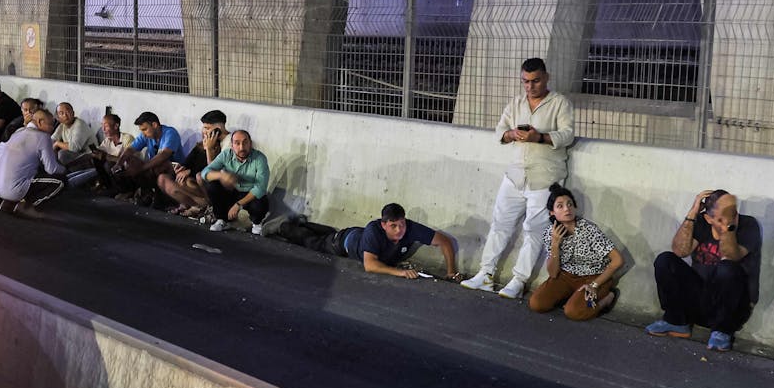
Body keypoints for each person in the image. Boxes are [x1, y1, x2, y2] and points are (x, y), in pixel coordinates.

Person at [460, 57, 577, 299]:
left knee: (534, 230)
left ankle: (519, 280)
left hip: (545, 177)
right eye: (525, 81)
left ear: (546, 77)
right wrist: (512, 134)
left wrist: (540, 138)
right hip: (515, 175)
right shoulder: (516, 103)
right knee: (500, 224)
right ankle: (486, 274)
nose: (530, 86)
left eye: (535, 81)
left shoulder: (559, 103)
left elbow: (567, 135)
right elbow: (499, 131)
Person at [646, 189, 763, 351]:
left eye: (733, 212)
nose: (732, 217)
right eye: (723, 216)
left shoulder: (748, 225)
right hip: (701, 301)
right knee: (665, 260)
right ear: (708, 218)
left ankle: (722, 331)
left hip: (733, 308)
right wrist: (693, 212)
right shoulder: (702, 221)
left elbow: (732, 255)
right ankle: (676, 321)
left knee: (726, 268)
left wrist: (727, 228)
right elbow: (680, 251)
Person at [271, 203, 460, 281]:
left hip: (359, 236)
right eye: (393, 226)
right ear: (383, 224)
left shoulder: (409, 228)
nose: (399, 230)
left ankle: (304, 223)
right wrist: (400, 272)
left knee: (327, 233)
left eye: (401, 224)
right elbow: (370, 265)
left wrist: (451, 271)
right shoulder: (373, 229)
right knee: (314, 242)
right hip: (343, 244)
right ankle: (284, 228)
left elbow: (444, 242)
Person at [527, 183, 622, 320]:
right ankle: (571, 296)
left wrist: (594, 285)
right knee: (537, 304)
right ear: (552, 212)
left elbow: (618, 260)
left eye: (570, 204)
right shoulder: (550, 233)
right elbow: (553, 273)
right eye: (560, 206)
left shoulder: (588, 229)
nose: (567, 209)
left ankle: (606, 298)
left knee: (574, 312)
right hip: (566, 276)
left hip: (593, 276)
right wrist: (555, 245)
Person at [0, 109, 65, 215]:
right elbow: (51, 169)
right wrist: (64, 169)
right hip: (12, 190)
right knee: (61, 181)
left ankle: (9, 203)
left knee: (29, 170)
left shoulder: (19, 132)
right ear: (40, 122)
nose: (52, 129)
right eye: (51, 125)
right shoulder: (43, 137)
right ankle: (26, 206)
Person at [199, 129, 273, 233]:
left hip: (249, 194)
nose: (241, 147)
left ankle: (257, 223)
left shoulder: (259, 158)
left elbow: (260, 188)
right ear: (232, 145)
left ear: (250, 143)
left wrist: (238, 205)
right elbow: (205, 173)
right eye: (237, 143)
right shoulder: (226, 155)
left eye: (245, 142)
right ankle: (222, 219)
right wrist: (222, 175)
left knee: (260, 201)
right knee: (211, 184)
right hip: (231, 191)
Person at [160, 110, 227, 216]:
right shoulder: (199, 146)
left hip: (213, 187)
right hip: (195, 183)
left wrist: (209, 150)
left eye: (208, 128)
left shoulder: (220, 147)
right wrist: (182, 168)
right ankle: (195, 205)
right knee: (169, 178)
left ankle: (206, 206)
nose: (204, 132)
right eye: (204, 127)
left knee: (192, 180)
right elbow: (188, 163)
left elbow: (211, 171)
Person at [117, 112, 184, 204]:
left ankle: (157, 198)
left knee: (159, 166)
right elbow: (130, 149)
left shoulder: (170, 133)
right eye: (142, 130)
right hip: (154, 167)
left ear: (154, 125)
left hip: (174, 170)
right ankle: (144, 194)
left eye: (145, 129)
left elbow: (163, 155)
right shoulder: (146, 135)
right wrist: (119, 163)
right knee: (131, 160)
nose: (143, 134)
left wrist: (141, 168)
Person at [89, 112, 137, 194]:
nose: (103, 129)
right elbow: (98, 154)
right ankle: (107, 186)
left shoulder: (127, 138)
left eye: (106, 126)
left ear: (116, 126)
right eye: (102, 125)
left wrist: (106, 157)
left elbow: (129, 162)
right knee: (95, 159)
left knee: (109, 164)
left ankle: (124, 191)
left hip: (129, 174)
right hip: (113, 174)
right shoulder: (107, 140)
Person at [51, 102, 96, 172]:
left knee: (63, 154)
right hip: (76, 157)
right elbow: (51, 140)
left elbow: (74, 148)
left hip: (89, 159)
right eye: (61, 113)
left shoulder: (80, 124)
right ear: (58, 117)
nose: (65, 115)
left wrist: (57, 143)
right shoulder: (62, 125)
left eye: (67, 112)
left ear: (73, 113)